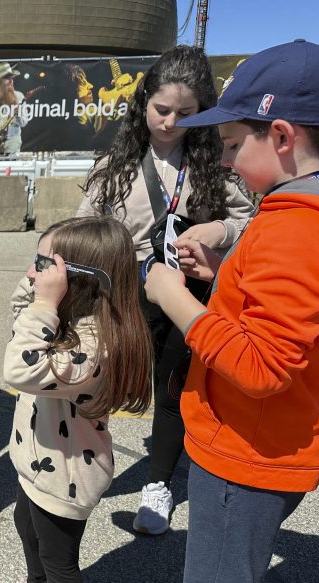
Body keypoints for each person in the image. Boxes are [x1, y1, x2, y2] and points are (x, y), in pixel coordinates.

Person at [117, 40, 319, 583]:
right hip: (257, 440)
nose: (220, 159)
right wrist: (225, 275)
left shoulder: (299, 228)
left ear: (279, 135)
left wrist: (171, 296)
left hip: (248, 450)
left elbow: (259, 364)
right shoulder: (312, 211)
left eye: (228, 145)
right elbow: (283, 320)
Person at [78, 45, 254, 535]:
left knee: (174, 387)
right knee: (105, 380)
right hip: (124, 289)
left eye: (185, 112)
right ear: (143, 104)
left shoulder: (216, 163)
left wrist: (219, 232)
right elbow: (85, 226)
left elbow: (244, 217)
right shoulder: (116, 162)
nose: (171, 121)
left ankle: (158, 483)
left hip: (188, 291)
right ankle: (86, 461)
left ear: (203, 112)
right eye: (161, 109)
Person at [0, 216, 152, 583]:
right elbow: (19, 315)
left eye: (47, 265)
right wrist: (38, 289)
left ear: (78, 280)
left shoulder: (94, 345)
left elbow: (19, 370)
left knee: (61, 560)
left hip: (67, 473)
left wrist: (44, 302)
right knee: (27, 524)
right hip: (38, 458)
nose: (37, 274)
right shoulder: (68, 317)